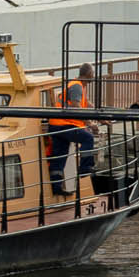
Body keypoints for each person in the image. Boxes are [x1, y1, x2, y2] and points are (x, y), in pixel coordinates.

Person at [47, 63, 96, 195]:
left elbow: (88, 104)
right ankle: (85, 169)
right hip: (65, 124)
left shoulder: (78, 86)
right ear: (89, 74)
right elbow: (76, 107)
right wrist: (90, 124)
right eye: (93, 73)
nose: (94, 75)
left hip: (56, 125)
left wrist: (102, 116)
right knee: (88, 138)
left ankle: (56, 187)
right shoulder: (76, 86)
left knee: (60, 155)